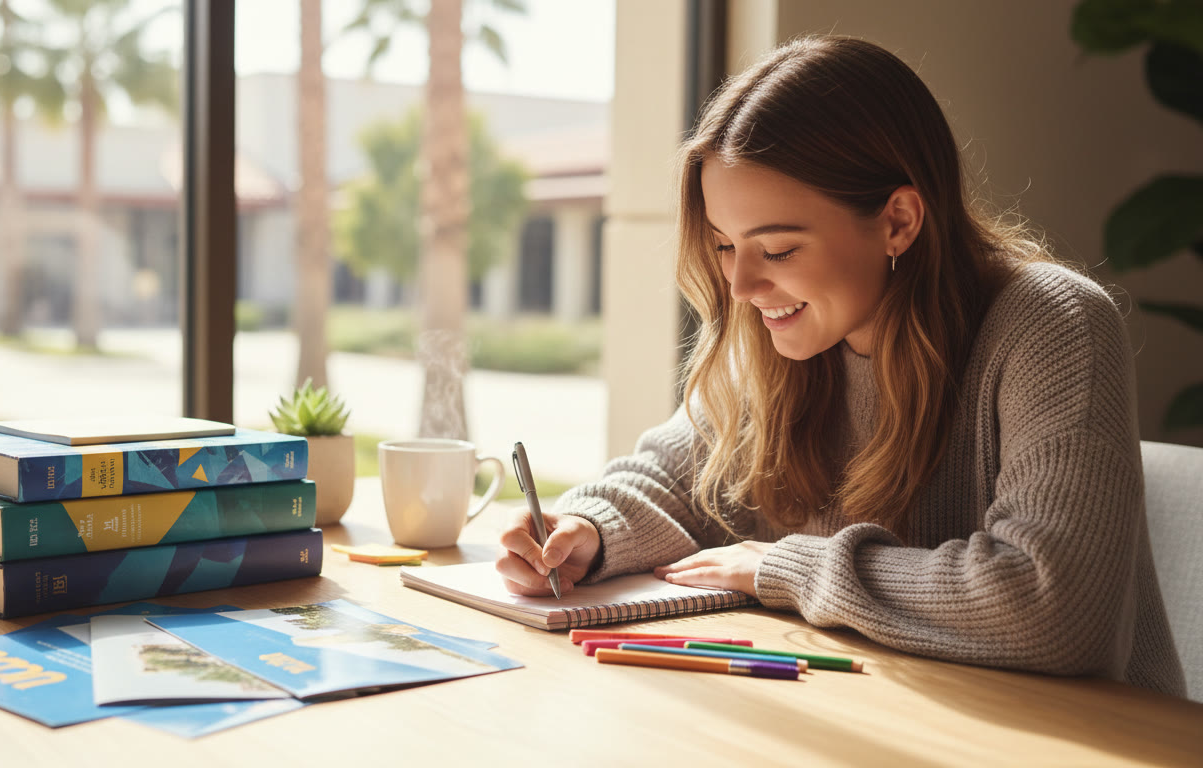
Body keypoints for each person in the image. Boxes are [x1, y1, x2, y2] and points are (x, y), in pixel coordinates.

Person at [495, 35, 1185, 697]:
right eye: (726, 246)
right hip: (882, 710)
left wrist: (782, 566)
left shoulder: (1052, 325)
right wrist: (585, 531)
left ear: (899, 222)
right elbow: (674, 480)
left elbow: (1052, 606)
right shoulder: (787, 334)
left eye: (779, 249)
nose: (740, 288)